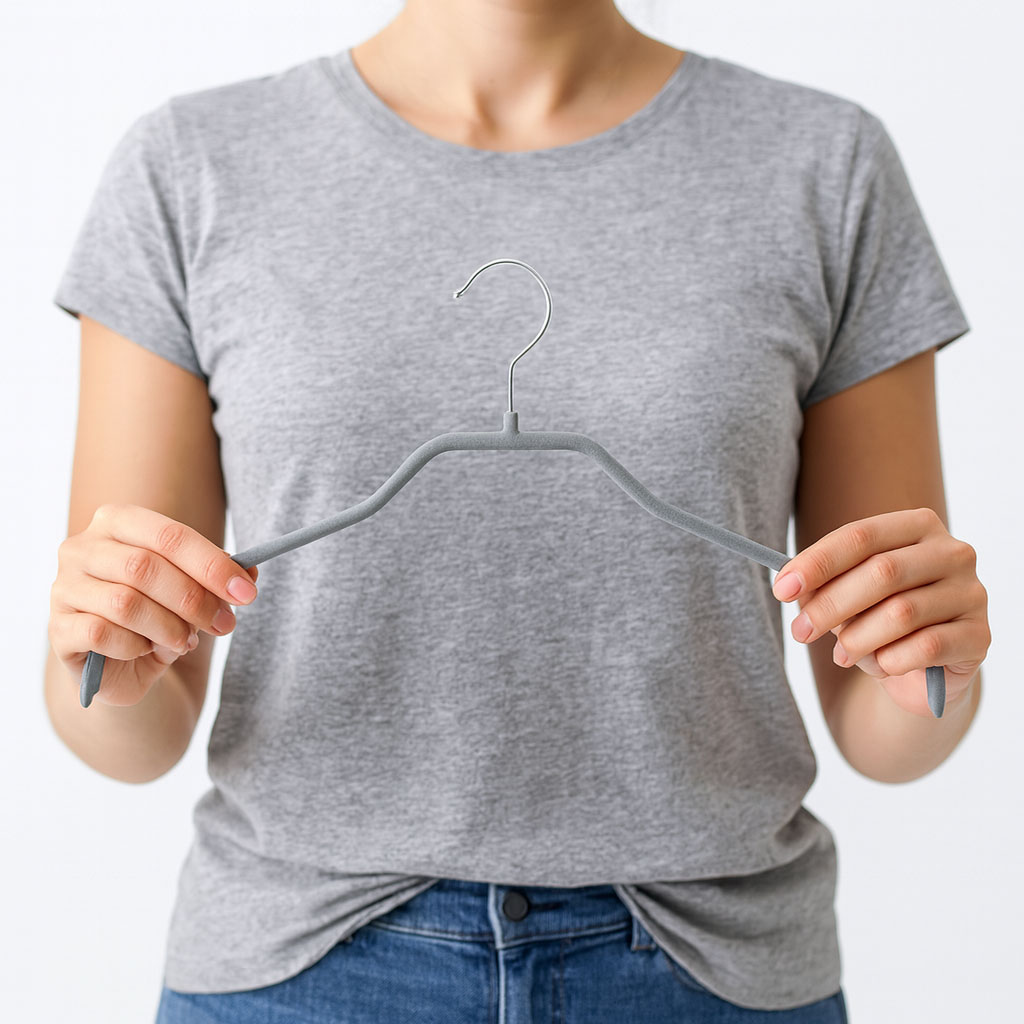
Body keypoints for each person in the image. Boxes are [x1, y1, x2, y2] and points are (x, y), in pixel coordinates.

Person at [45, 1, 990, 1021]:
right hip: (297, 970)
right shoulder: (188, 165)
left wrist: (930, 663)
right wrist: (104, 661)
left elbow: (890, 719)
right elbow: (125, 718)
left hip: (715, 968)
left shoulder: (826, 162)